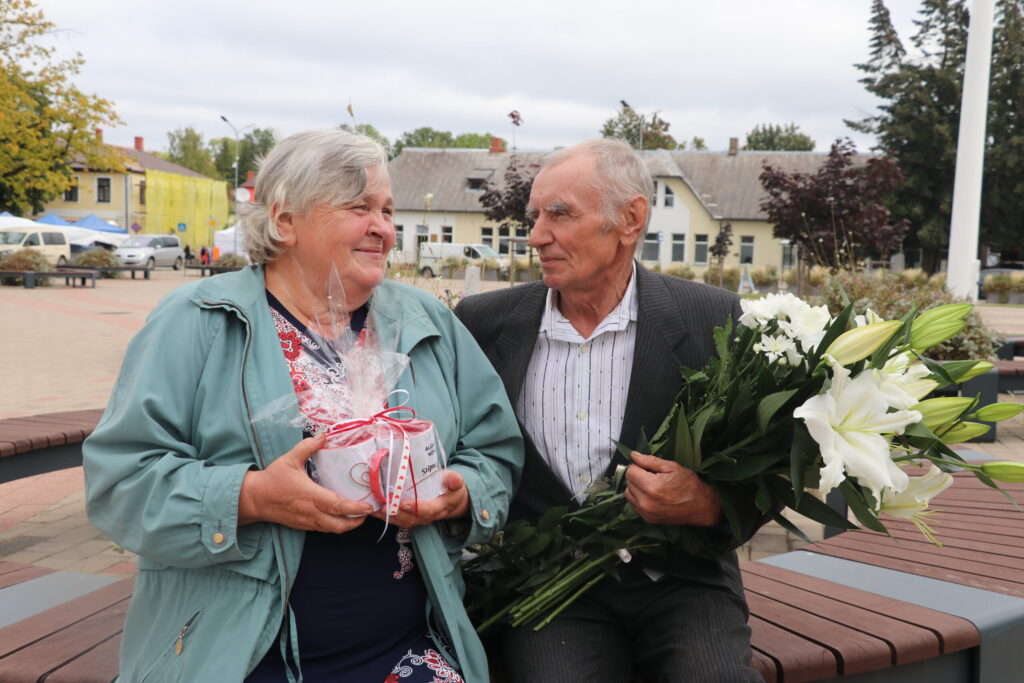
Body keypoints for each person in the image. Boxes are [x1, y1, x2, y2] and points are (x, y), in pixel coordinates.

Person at [84, 129, 523, 682]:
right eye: (359, 206)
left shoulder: (425, 320)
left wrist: (458, 495)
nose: (383, 228)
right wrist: (250, 497)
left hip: (409, 651)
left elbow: (495, 449)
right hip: (239, 656)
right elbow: (118, 483)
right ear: (284, 220)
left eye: (387, 211)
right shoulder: (197, 321)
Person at [455, 139, 764, 682]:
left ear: (629, 218)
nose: (537, 236)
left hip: (682, 578)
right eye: (535, 216)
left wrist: (710, 502)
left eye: (560, 214)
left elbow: (765, 465)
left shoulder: (711, 320)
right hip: (549, 588)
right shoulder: (483, 323)